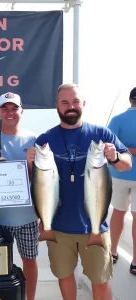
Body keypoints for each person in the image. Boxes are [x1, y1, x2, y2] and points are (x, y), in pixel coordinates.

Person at [26, 83, 132, 300]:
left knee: (101, 280)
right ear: (57, 106)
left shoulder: (101, 134)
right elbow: (35, 182)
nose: (70, 106)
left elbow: (126, 164)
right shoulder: (45, 139)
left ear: (83, 104)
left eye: (75, 101)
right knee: (64, 277)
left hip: (94, 226)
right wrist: (29, 164)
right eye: (65, 102)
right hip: (59, 226)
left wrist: (116, 157)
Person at [0, 92, 39, 300]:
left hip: (28, 217)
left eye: (14, 108)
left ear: (22, 111)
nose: (10, 113)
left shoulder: (34, 139)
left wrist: (29, 165)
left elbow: (41, 180)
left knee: (29, 259)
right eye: (5, 109)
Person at [108, 87, 136, 275]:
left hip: (118, 174)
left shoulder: (117, 120)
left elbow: (109, 146)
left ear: (129, 100)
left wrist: (128, 149)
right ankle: (135, 261)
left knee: (118, 212)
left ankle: (113, 252)